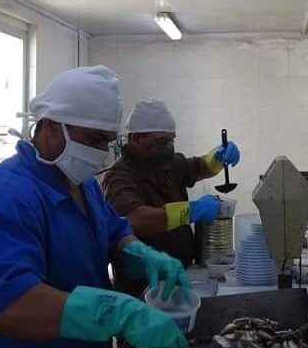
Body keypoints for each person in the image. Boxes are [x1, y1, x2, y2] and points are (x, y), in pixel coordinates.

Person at [0, 66, 191, 348]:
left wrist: (139, 253)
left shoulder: (80, 183)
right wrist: (119, 312)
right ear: (51, 126)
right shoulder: (5, 199)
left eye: (108, 140)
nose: (102, 151)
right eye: (94, 139)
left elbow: (113, 230)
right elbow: (8, 306)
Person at [101, 99, 240, 295]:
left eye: (171, 140)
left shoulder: (167, 165)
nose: (168, 147)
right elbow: (134, 219)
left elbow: (199, 167)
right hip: (142, 287)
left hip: (179, 275)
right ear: (136, 139)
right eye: (161, 141)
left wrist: (216, 158)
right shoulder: (119, 177)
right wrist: (190, 211)